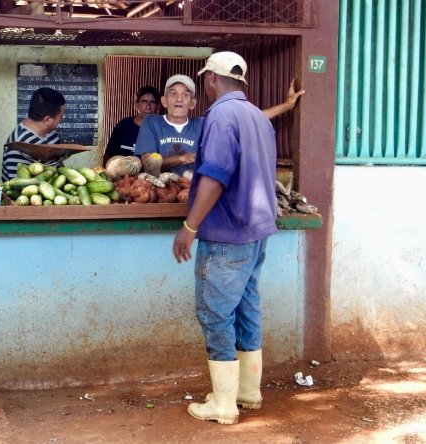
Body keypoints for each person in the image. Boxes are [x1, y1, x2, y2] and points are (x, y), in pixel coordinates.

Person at [172, 52, 279, 425]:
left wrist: (190, 228)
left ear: (212, 79)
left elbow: (215, 176)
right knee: (246, 307)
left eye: (205, 78)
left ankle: (222, 404)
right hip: (257, 231)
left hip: (227, 232)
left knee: (216, 313)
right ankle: (247, 392)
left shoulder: (220, 115)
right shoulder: (256, 116)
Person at [135, 74, 304, 176]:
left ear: (192, 103)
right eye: (173, 94)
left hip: (192, 192)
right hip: (160, 192)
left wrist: (287, 105)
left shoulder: (203, 124)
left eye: (185, 95)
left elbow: (247, 118)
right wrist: (182, 158)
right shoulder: (152, 122)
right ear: (164, 101)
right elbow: (147, 162)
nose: (179, 99)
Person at [1, 87, 66, 182]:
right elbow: (17, 186)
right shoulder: (19, 144)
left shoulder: (51, 132)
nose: (62, 119)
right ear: (47, 120)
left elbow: (57, 165)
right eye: (61, 116)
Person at [102, 85, 161, 165]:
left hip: (150, 176)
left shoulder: (162, 129)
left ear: (158, 106)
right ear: (136, 105)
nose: (148, 107)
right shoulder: (123, 126)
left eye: (152, 102)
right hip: (122, 175)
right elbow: (108, 155)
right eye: (144, 101)